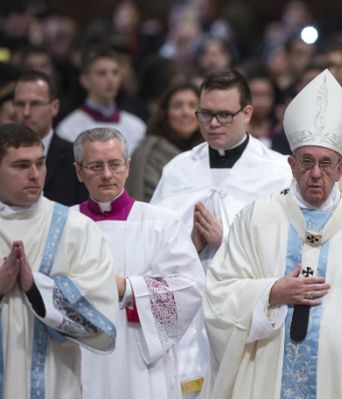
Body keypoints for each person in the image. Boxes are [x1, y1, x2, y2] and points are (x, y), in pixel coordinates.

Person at [202, 69, 342, 399]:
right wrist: (271, 292)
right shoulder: (257, 218)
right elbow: (218, 294)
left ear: (341, 169)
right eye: (306, 162)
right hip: (267, 377)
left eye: (326, 164)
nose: (314, 174)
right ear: (291, 164)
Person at [150, 68, 293, 397]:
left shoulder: (276, 172)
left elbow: (286, 250)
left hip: (246, 314)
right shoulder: (178, 170)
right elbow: (153, 244)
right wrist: (188, 245)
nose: (213, 124)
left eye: (224, 115)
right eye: (206, 114)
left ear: (247, 113)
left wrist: (225, 239)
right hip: (186, 313)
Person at [72, 127, 204, 399]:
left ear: (128, 167)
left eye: (115, 164)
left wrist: (129, 288)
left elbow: (189, 289)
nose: (107, 174)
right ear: (78, 171)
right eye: (96, 166)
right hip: (81, 358)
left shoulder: (161, 224)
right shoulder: (64, 226)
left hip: (141, 361)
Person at [0, 123, 117, 399]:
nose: (35, 175)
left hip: (55, 382)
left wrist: (35, 288)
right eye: (21, 166)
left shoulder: (74, 228)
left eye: (40, 163)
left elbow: (101, 315)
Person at [13, 70, 88, 205]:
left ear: (54, 107)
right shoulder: (2, 155)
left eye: (35, 104)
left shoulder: (77, 157)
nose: (26, 112)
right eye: (20, 104)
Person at [56, 48, 146, 154]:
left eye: (115, 73)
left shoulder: (137, 127)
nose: (110, 79)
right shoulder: (68, 128)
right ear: (85, 80)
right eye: (102, 73)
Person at [126, 82, 203, 202]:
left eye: (192, 106)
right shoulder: (148, 154)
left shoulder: (210, 153)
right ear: (165, 113)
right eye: (178, 106)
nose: (186, 112)